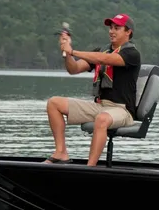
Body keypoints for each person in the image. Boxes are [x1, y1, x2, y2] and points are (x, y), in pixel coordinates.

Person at [44, 13, 142, 166]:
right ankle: (61, 152)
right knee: (53, 103)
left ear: (128, 32)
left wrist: (73, 51)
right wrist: (67, 54)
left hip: (122, 110)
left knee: (102, 118)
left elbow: (104, 60)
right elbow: (74, 68)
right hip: (100, 106)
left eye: (117, 28)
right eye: (110, 28)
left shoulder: (132, 54)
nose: (112, 31)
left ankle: (90, 168)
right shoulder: (101, 51)